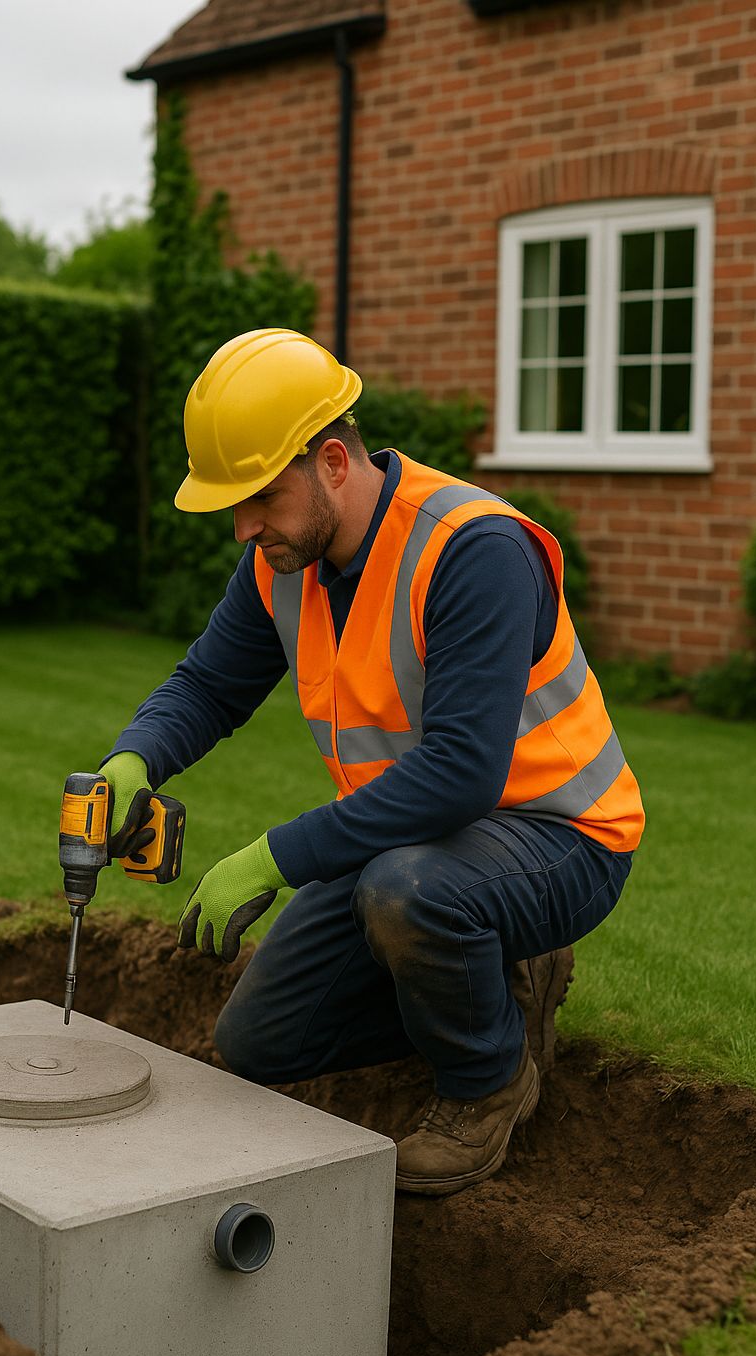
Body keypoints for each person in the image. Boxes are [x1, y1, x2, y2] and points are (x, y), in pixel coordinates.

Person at [101, 328, 644, 1195]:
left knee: (408, 895)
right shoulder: (283, 561)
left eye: (261, 498)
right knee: (259, 1041)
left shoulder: (474, 550)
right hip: (412, 845)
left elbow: (463, 772)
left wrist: (275, 855)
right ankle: (493, 981)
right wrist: (133, 760)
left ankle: (489, 1084)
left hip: (560, 837)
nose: (244, 528)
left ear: (334, 463)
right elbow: (207, 686)